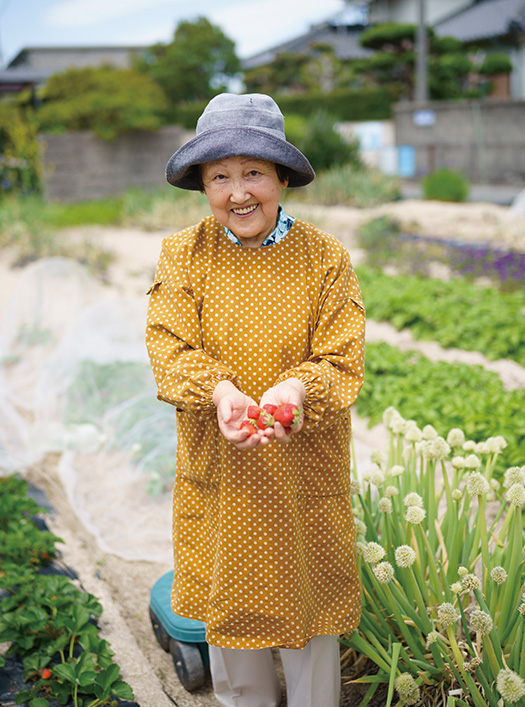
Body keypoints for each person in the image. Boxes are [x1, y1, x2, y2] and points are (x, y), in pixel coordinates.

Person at [146, 93, 365, 707]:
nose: (238, 193)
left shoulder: (325, 258)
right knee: (231, 606)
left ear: (282, 178)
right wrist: (221, 393)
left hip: (302, 464)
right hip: (223, 460)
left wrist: (296, 389)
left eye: (254, 173)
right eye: (220, 176)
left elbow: (342, 357)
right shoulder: (183, 254)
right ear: (202, 185)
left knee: (308, 608)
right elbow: (170, 347)